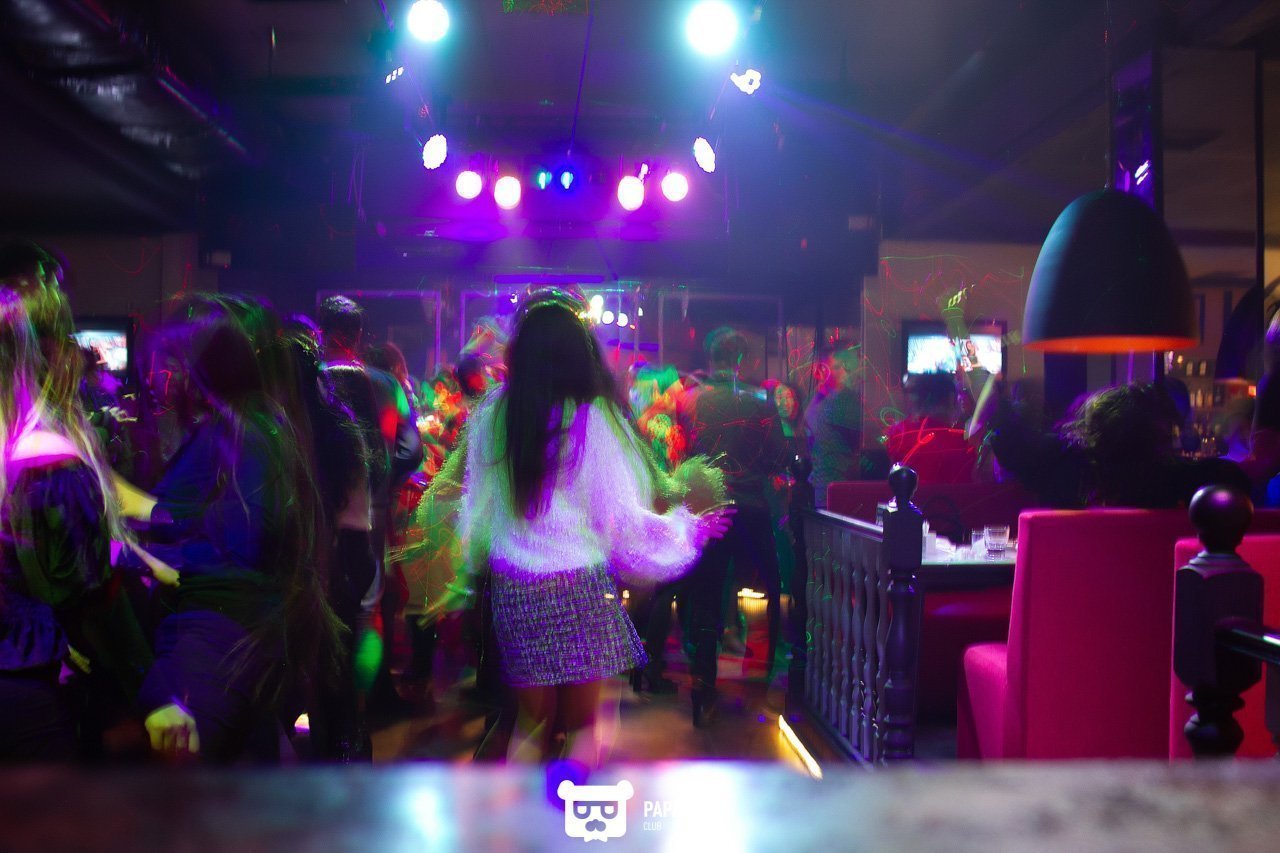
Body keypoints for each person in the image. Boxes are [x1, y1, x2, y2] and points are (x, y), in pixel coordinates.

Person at [460, 289, 731, 765]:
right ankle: (570, 808)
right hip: (577, 584)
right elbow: (620, 517)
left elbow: (479, 508)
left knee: (530, 724)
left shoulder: (493, 414)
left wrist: (470, 567)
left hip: (515, 586)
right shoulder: (591, 417)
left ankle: (526, 812)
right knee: (586, 726)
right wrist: (686, 530)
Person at [120, 304, 344, 763]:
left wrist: (161, 563)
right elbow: (195, 516)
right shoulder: (241, 424)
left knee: (186, 789)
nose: (160, 379)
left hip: (217, 636)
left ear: (200, 369)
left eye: (169, 364)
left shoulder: (247, 430)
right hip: (237, 634)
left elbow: (244, 543)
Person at [0, 253, 162, 760]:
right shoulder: (47, 456)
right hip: (28, 688)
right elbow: (92, 596)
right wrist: (154, 697)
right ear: (44, 351)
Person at [676, 327, 788, 724]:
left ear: (710, 359)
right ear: (740, 360)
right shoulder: (759, 403)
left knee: (706, 597)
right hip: (751, 507)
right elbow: (779, 457)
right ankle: (769, 677)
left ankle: (702, 689)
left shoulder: (688, 401)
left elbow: (680, 453)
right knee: (774, 586)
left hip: (710, 509)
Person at [884, 372, 977, 484]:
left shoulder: (899, 432)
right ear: (948, 400)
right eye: (957, 399)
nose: (959, 405)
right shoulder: (957, 440)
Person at [805, 344, 864, 508]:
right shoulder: (826, 398)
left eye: (840, 367)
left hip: (834, 484)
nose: (842, 372)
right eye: (835, 367)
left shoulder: (842, 400)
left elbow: (858, 444)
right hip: (824, 482)